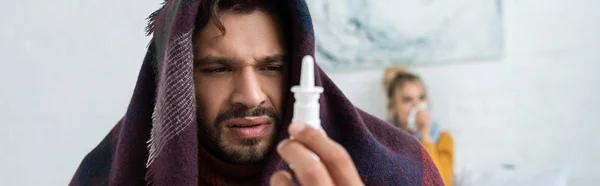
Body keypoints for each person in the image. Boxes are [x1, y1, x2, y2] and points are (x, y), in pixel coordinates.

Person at [69, 0, 444, 185]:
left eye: (272, 67)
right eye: (218, 69)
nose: (250, 96)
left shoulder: (402, 169)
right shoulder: (106, 175)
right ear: (175, 80)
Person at [383, 66, 455, 186]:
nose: (417, 106)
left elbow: (440, 182)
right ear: (393, 107)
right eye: (407, 100)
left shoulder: (444, 140)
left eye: (421, 98)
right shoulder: (382, 142)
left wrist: (425, 135)